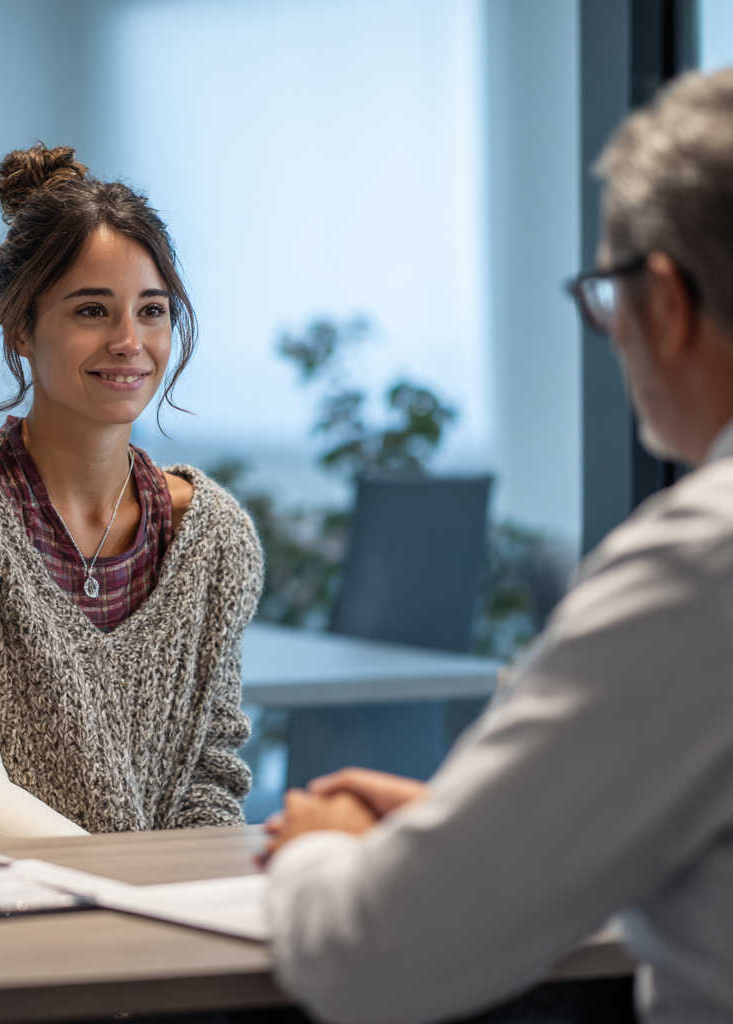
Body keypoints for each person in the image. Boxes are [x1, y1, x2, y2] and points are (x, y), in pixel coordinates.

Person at [263, 69, 733, 1024]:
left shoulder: (703, 560)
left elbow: (372, 955)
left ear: (669, 302)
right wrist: (476, 831)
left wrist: (322, 845)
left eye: (606, 294)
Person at [0, 145, 262, 843]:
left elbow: (208, 780)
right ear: (20, 330)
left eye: (152, 310)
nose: (130, 341)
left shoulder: (211, 536)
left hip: (159, 926)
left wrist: (190, 899)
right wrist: (118, 889)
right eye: (92, 310)